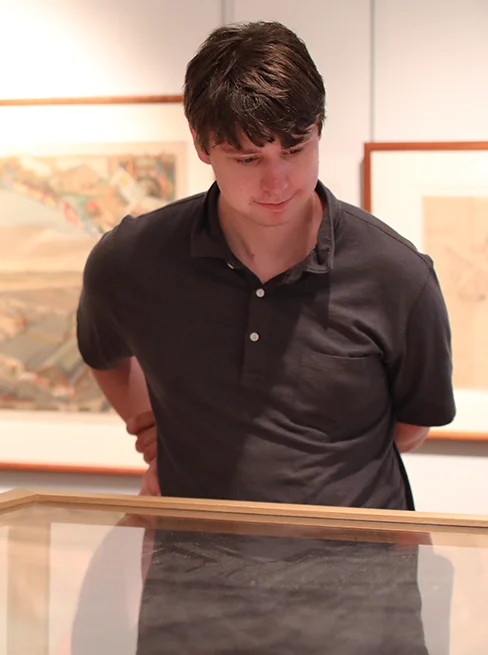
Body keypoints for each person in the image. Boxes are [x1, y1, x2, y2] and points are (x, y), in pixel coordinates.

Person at [76, 20, 455, 510]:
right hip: (195, 568)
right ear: (201, 144)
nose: (278, 184)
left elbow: (411, 427)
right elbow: (102, 353)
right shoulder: (130, 261)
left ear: (320, 127)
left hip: (358, 570)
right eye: (247, 159)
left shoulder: (399, 275)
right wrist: (149, 428)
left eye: (295, 150)